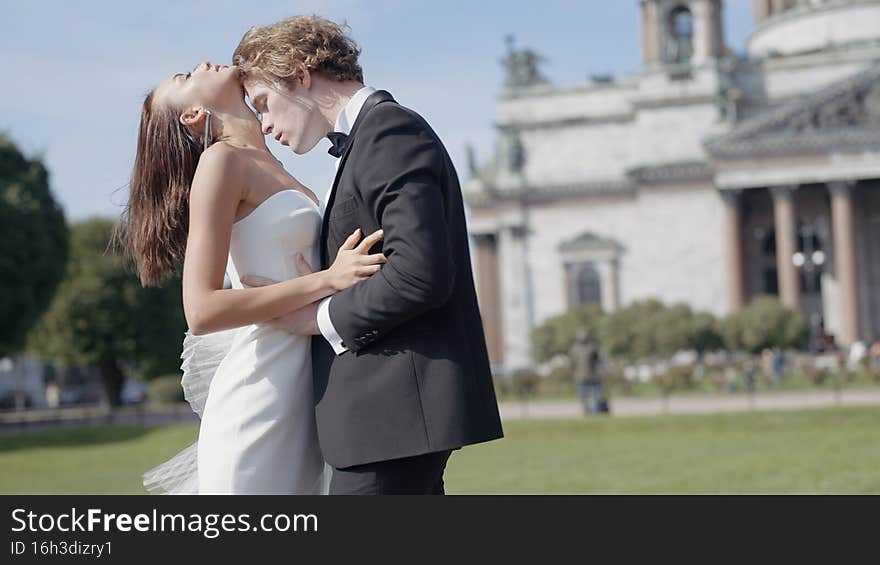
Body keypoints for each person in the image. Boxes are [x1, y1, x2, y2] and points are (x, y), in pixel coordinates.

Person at [232, 16, 504, 494]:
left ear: (299, 74)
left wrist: (314, 318)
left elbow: (420, 274)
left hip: (396, 417)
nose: (265, 124)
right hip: (383, 423)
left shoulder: (388, 131)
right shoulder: (369, 139)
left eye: (264, 104)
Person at [126, 59, 387, 494]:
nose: (201, 65)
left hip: (305, 395)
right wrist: (327, 280)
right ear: (192, 116)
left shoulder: (275, 164)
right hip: (259, 394)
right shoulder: (220, 162)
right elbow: (202, 310)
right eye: (186, 78)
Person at [569, 327, 602, 414]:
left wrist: (599, 370)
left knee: (596, 394)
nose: (583, 336)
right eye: (581, 334)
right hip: (580, 376)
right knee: (582, 396)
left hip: (593, 375)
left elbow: (597, 359)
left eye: (585, 334)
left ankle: (596, 411)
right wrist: (573, 373)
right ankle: (586, 410)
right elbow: (572, 362)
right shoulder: (575, 348)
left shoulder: (592, 346)